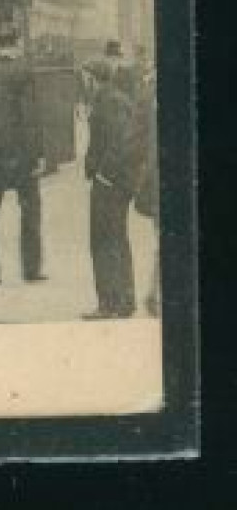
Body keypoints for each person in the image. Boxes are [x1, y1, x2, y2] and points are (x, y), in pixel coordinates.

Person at [0, 24, 46, 286]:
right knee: (30, 208)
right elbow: (29, 117)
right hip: (18, 152)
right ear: (17, 43)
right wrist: (37, 154)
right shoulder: (24, 71)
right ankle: (31, 268)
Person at [82, 60, 138, 318]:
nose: (83, 82)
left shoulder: (108, 101)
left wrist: (104, 174)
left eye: (85, 77)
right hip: (117, 182)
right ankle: (124, 300)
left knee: (103, 240)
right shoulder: (114, 99)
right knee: (117, 238)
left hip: (110, 184)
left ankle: (108, 302)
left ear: (94, 78)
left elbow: (122, 141)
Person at [133, 63, 161, 317]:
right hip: (160, 177)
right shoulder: (149, 95)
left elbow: (139, 141)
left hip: (156, 178)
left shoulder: (147, 95)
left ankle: (154, 294)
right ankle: (154, 294)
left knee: (162, 239)